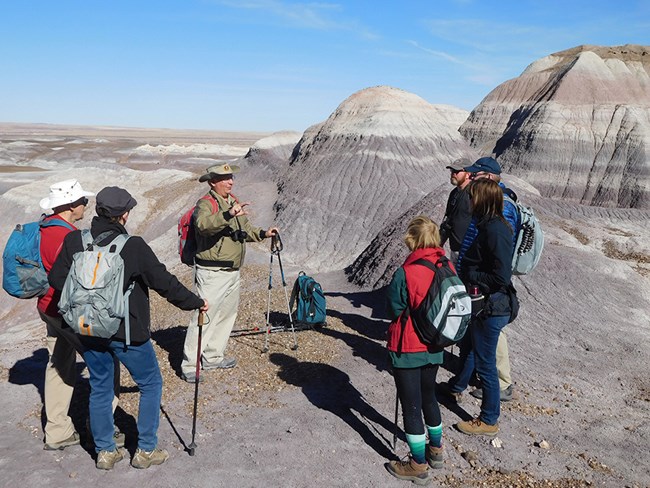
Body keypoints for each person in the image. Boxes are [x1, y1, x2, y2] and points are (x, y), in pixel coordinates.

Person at [49, 187, 208, 470]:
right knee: (150, 384)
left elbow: (57, 279)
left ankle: (106, 452)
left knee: (100, 387)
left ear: (99, 211)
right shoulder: (132, 246)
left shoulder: (75, 240)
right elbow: (164, 283)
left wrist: (87, 303)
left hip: (87, 329)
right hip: (128, 334)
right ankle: (145, 450)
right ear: (123, 215)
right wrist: (195, 303)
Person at [180, 163, 278, 382]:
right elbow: (204, 226)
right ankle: (189, 364)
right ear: (212, 181)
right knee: (204, 317)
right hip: (212, 272)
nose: (230, 181)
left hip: (232, 271)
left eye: (231, 177)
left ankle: (213, 357)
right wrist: (227, 214)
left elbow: (245, 228)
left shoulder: (232, 200)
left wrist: (264, 233)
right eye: (225, 178)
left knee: (226, 315)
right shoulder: (205, 204)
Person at [384, 216, 447, 485]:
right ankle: (436, 450)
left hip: (409, 346)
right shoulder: (445, 264)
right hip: (435, 345)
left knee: (411, 405)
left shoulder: (406, 271)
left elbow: (396, 308)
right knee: (429, 396)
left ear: (412, 239)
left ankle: (417, 464)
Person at [450, 179, 516, 436]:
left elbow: (501, 277)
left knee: (486, 364)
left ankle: (489, 419)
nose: (470, 201)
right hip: (484, 305)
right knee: (468, 347)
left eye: (473, 197)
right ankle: (455, 387)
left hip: (492, 306)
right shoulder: (487, 225)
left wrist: (473, 277)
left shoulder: (496, 231)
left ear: (484, 200)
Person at [37, 179, 96, 451]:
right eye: (83, 201)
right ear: (71, 205)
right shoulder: (67, 236)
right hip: (66, 311)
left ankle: (58, 431)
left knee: (59, 362)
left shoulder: (44, 227)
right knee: (103, 363)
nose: (86, 204)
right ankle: (101, 430)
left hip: (47, 307)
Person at [439, 158, 472, 263]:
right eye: (452, 171)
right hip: (455, 251)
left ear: (468, 174)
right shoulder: (454, 193)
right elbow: (448, 220)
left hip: (470, 252)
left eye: (457, 171)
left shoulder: (475, 194)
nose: (453, 174)